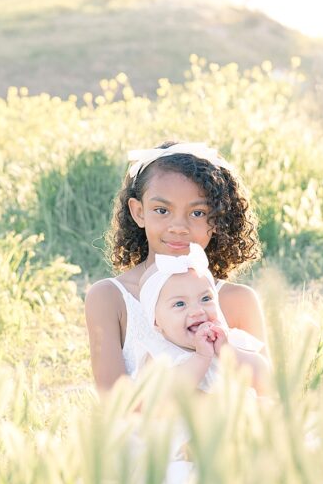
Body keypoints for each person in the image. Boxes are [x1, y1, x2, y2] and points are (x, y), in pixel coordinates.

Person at [85, 141, 269, 393]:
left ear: (216, 218)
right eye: (162, 210)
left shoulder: (238, 300)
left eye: (197, 213)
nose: (178, 226)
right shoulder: (110, 297)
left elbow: (271, 393)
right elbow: (115, 403)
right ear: (138, 212)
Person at [135, 243, 270, 396]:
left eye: (206, 298)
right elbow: (167, 396)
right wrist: (202, 357)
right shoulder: (158, 354)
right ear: (156, 321)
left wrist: (227, 352)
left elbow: (265, 378)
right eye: (180, 304)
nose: (197, 311)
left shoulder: (229, 340)